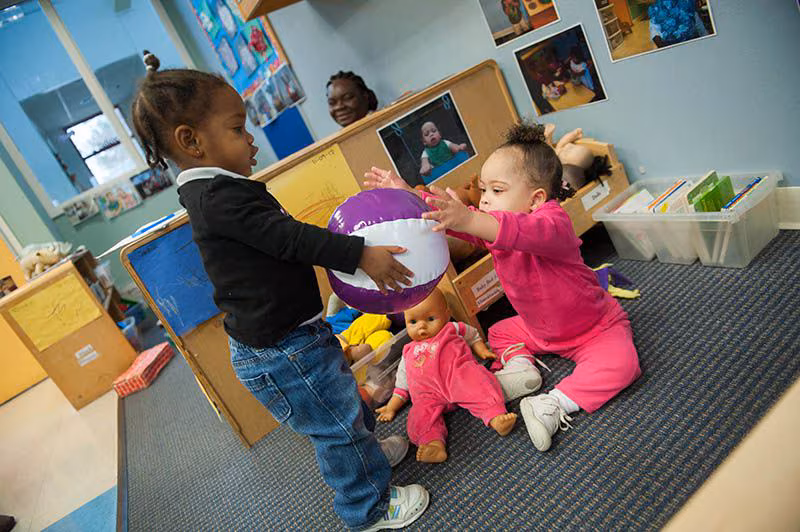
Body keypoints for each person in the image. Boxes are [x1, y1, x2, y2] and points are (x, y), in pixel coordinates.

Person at [131, 54, 429, 531]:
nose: (250, 139)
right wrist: (361, 254)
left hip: (294, 338)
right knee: (337, 426)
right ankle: (367, 509)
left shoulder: (218, 192)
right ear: (191, 140)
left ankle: (368, 464)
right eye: (236, 129)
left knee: (346, 409)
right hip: (282, 352)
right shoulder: (219, 198)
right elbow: (291, 239)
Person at [364, 122, 641, 453]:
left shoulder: (553, 222)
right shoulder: (492, 227)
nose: (483, 201)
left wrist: (468, 219)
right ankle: (521, 369)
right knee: (498, 332)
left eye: (496, 191)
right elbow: (459, 219)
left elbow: (502, 227)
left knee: (623, 363)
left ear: (537, 199)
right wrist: (408, 193)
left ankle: (553, 403)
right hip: (540, 330)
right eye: (482, 191)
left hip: (594, 326)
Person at [375, 289, 517, 463]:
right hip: (428, 395)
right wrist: (391, 407)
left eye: (430, 319)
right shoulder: (407, 351)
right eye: (413, 322)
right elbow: (402, 385)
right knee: (418, 416)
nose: (421, 327)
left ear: (447, 314)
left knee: (478, 381)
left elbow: (472, 335)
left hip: (458, 378)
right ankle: (433, 444)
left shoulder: (451, 328)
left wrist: (481, 350)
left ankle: (495, 416)